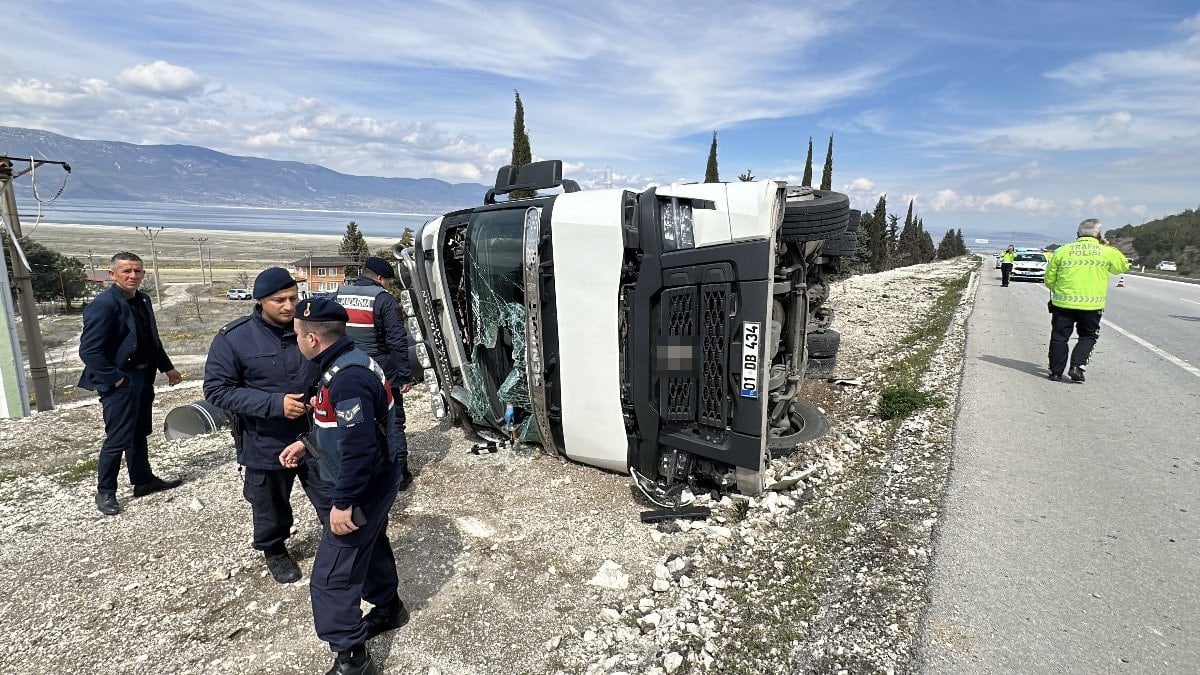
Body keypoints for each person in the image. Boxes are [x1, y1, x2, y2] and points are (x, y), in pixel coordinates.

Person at [279, 297, 409, 675]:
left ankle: (352, 659)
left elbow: (360, 448)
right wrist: (308, 445)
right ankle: (388, 607)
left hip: (364, 487)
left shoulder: (348, 377)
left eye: (297, 335)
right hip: (376, 480)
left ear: (312, 338)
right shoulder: (342, 362)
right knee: (371, 544)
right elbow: (340, 429)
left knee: (331, 577)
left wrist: (343, 503)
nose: (296, 341)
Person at [203, 267, 330, 583]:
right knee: (269, 503)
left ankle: (339, 542)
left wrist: (319, 397)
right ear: (260, 300)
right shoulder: (235, 338)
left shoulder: (310, 328)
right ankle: (274, 549)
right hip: (266, 439)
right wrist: (274, 405)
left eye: (293, 298)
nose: (289, 306)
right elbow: (217, 390)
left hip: (315, 433)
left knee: (332, 493)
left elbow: (330, 367)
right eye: (280, 300)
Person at [78, 252, 184, 516]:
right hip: (120, 380)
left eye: (137, 271)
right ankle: (105, 492)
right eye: (126, 271)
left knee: (138, 432)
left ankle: (143, 481)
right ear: (112, 274)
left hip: (143, 376)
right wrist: (115, 378)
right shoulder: (105, 304)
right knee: (118, 437)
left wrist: (167, 367)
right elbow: (89, 351)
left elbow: (151, 340)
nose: (133, 276)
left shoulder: (143, 299)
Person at [333, 256, 413, 483]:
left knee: (353, 421)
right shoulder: (383, 299)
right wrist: (404, 375)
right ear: (379, 278)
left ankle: (360, 473)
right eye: (387, 281)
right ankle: (399, 474)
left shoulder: (340, 294)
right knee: (392, 420)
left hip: (346, 369)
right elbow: (397, 341)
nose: (387, 285)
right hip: (380, 370)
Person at [1043, 219, 1130, 382]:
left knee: (1059, 337)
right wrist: (1108, 246)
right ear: (1099, 235)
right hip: (1091, 306)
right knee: (1088, 336)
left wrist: (1060, 292)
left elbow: (1049, 279)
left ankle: (1055, 372)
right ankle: (1077, 366)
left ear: (1077, 234)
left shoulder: (1062, 251)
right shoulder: (1105, 251)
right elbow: (1122, 267)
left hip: (1063, 303)